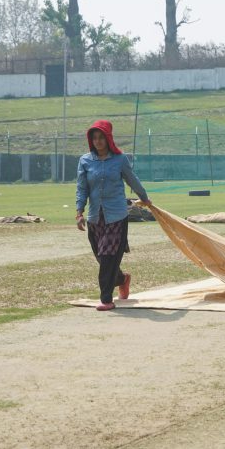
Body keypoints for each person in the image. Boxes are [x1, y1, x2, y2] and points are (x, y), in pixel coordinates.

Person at [76, 120, 152, 311]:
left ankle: (106, 299)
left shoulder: (120, 159)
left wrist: (144, 198)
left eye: (101, 137)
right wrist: (79, 211)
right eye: (95, 138)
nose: (98, 141)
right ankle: (122, 279)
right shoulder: (85, 161)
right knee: (101, 256)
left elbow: (132, 179)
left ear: (108, 139)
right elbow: (82, 187)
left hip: (116, 216)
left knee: (108, 256)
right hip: (95, 217)